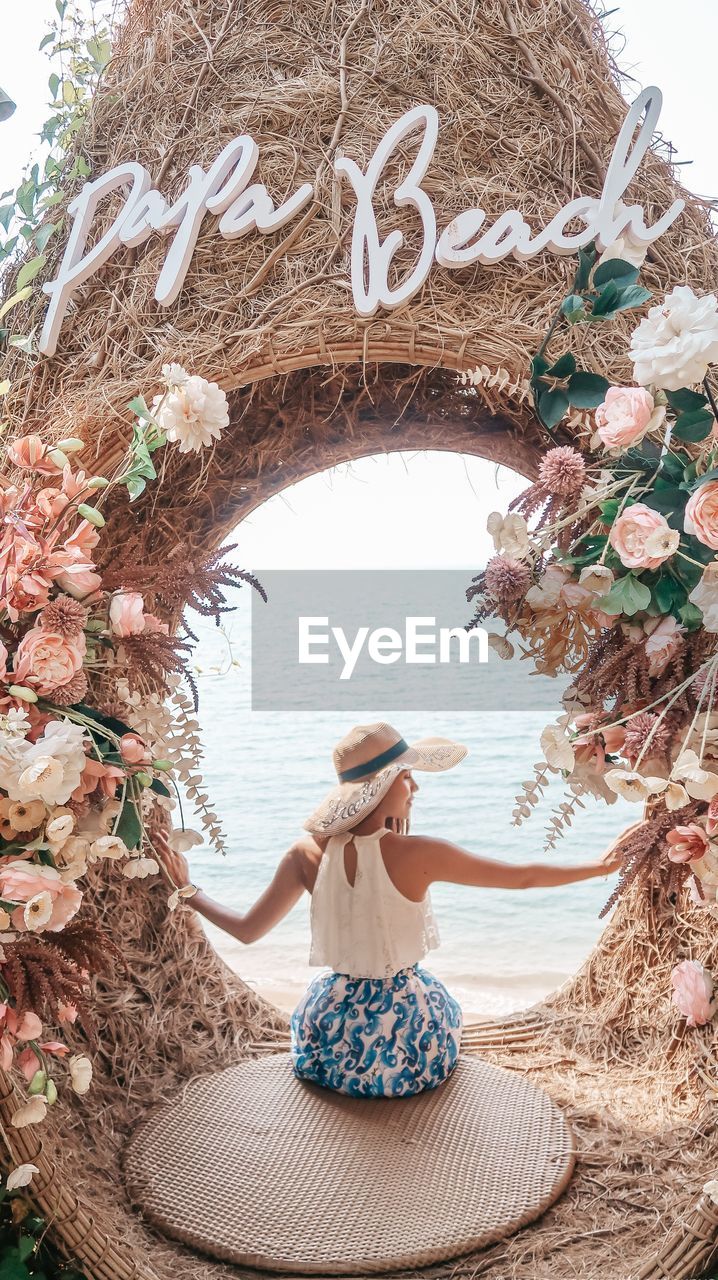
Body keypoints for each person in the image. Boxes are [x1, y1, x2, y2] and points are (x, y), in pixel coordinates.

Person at [157, 721, 634, 1099]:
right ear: (385, 784)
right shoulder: (418, 853)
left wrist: (188, 890)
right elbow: (522, 876)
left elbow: (246, 930)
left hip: (327, 1040)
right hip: (406, 1042)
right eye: (408, 777)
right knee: (440, 1007)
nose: (415, 789)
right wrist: (598, 867)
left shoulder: (304, 854)